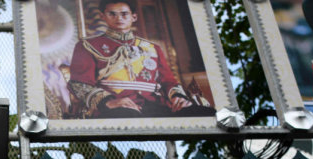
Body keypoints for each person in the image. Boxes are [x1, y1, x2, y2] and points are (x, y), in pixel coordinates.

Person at [66, 0, 214, 119]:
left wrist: (178, 97)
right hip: (115, 108)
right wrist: (108, 102)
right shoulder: (87, 46)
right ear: (102, 16)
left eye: (124, 14)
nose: (119, 18)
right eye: (112, 14)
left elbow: (169, 82)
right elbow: (80, 84)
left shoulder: (152, 48)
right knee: (126, 117)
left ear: (134, 17)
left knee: (207, 115)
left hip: (156, 107)